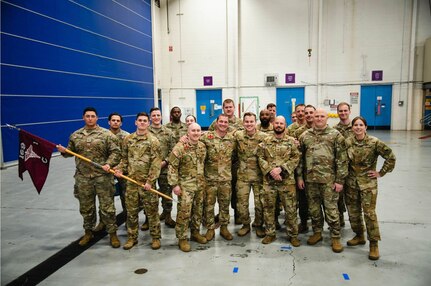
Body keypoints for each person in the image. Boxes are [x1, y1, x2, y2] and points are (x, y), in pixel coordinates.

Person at [57, 107, 121, 248]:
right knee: (86, 208)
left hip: (102, 177)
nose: (90, 118)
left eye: (93, 116)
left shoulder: (106, 135)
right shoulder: (75, 135)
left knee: (107, 207)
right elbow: (70, 152)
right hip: (83, 177)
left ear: (97, 118)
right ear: (83, 118)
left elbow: (116, 153)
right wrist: (63, 152)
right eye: (87, 116)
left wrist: (109, 164)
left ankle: (112, 233)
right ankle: (88, 232)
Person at [344, 116, 396, 260]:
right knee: (353, 213)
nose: (358, 127)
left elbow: (391, 157)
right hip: (351, 184)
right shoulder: (347, 142)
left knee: (369, 214)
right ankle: (359, 235)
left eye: (361, 125)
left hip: (368, 184)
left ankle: (374, 244)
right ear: (352, 127)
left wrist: (381, 172)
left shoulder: (374, 142)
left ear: (365, 127)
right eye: (355, 125)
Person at [297, 108, 348, 253]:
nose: (319, 118)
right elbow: (300, 159)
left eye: (322, 116)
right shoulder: (305, 136)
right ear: (312, 117)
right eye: (316, 116)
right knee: (314, 209)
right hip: (310, 180)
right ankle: (317, 232)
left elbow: (342, 159)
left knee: (331, 210)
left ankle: (335, 237)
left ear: (327, 118)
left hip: (329, 180)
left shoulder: (335, 135)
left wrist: (340, 180)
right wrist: (300, 177)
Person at [114, 112, 162, 250]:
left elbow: (156, 163)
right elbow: (124, 158)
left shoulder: (153, 141)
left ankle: (155, 238)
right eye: (139, 120)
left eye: (144, 121)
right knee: (131, 212)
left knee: (152, 212)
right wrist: (120, 169)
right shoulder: (128, 139)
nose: (142, 122)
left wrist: (150, 181)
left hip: (147, 184)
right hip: (131, 183)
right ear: (135, 122)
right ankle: (132, 238)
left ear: (148, 123)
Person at [257, 116, 301, 245]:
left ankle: (293, 235)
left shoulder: (292, 142)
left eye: (281, 123)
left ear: (285, 125)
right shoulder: (265, 141)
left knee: (290, 209)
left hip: (287, 182)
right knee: (268, 208)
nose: (279, 125)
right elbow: (260, 157)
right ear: (273, 124)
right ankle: (270, 233)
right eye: (277, 123)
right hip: (269, 181)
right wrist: (271, 170)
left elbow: (296, 158)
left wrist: (281, 169)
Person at [168, 123, 208, 252]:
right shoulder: (180, 148)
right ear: (188, 132)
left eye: (198, 130)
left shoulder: (202, 146)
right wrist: (175, 185)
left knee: (198, 211)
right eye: (193, 131)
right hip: (185, 186)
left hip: (200, 185)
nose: (196, 133)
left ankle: (195, 232)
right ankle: (182, 238)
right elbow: (172, 167)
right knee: (184, 213)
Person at [201, 114, 237, 241]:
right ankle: (210, 229)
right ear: (216, 123)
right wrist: (184, 138)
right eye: (221, 121)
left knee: (224, 205)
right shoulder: (206, 137)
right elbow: (192, 138)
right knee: (209, 205)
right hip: (210, 178)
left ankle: (224, 228)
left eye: (225, 122)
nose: (223, 124)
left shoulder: (232, 139)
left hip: (225, 179)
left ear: (228, 123)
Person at [234, 112, 268, 238]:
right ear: (243, 123)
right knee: (241, 203)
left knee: (260, 203)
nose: (249, 124)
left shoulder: (264, 137)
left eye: (251, 121)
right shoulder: (238, 135)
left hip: (259, 176)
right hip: (243, 176)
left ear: (255, 122)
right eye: (246, 121)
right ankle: (245, 225)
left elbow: (276, 144)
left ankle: (259, 225)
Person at [208, 99, 242, 224]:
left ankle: (237, 213)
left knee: (235, 190)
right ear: (223, 108)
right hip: (219, 163)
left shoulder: (240, 123)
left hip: (235, 162)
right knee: (223, 191)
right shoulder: (215, 122)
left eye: (230, 107)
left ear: (234, 108)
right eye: (226, 107)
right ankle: (222, 215)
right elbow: (210, 136)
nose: (228, 109)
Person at [94, 112, 130, 232]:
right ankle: (103, 222)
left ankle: (128, 221)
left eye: (118, 120)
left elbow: (129, 155)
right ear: (109, 122)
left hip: (123, 172)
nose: (115, 122)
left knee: (126, 198)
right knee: (105, 199)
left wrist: (120, 168)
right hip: (106, 172)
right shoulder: (101, 135)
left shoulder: (127, 136)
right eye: (113, 120)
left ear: (121, 122)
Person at [149, 107, 176, 228]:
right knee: (149, 194)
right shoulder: (146, 131)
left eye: (158, 115)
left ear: (161, 117)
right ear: (150, 117)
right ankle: (148, 218)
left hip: (165, 168)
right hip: (149, 170)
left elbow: (173, 150)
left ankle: (167, 215)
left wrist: (165, 161)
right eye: (153, 115)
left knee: (167, 192)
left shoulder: (168, 132)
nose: (156, 117)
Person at [293, 105, 316, 234]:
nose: (308, 115)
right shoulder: (299, 132)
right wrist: (299, 175)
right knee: (303, 200)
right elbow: (297, 154)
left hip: (320, 173)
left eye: (310, 112)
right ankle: (303, 223)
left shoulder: (323, 130)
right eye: (306, 113)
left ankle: (317, 225)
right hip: (304, 171)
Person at [333, 102, 354, 228]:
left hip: (353, 170)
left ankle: (356, 227)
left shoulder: (356, 127)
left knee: (352, 201)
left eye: (345, 110)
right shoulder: (335, 130)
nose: (343, 113)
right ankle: (338, 223)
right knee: (337, 200)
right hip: (339, 170)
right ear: (337, 113)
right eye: (340, 111)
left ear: (349, 111)